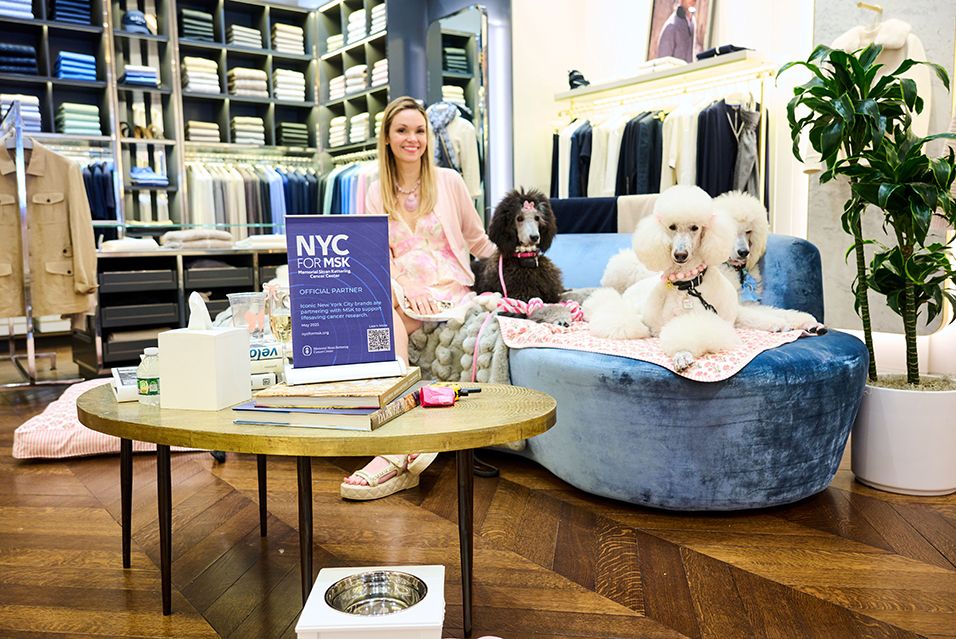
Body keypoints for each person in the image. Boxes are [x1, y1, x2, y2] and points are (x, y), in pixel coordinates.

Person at [339, 96, 496, 501]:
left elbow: (477, 239)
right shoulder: (375, 191)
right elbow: (374, 255)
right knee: (380, 319)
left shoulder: (449, 182)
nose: (413, 139)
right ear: (387, 138)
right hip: (403, 290)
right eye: (402, 131)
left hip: (448, 288)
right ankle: (400, 442)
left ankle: (393, 451)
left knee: (387, 324)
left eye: (420, 130)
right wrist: (405, 290)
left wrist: (518, 262)